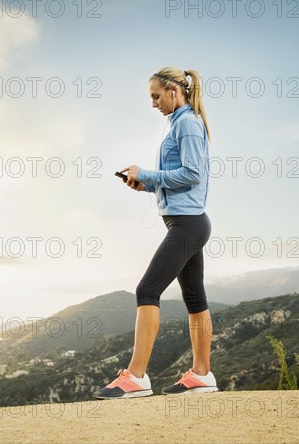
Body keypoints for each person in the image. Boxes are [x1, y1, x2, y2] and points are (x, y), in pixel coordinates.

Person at [94, 66, 217, 399]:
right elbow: (177, 180)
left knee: (146, 289)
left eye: (156, 96)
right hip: (188, 221)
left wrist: (148, 173)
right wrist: (146, 184)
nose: (153, 104)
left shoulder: (188, 124)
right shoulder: (178, 124)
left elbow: (192, 174)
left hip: (188, 225)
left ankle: (136, 376)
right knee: (195, 300)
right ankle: (202, 374)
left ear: (174, 92)